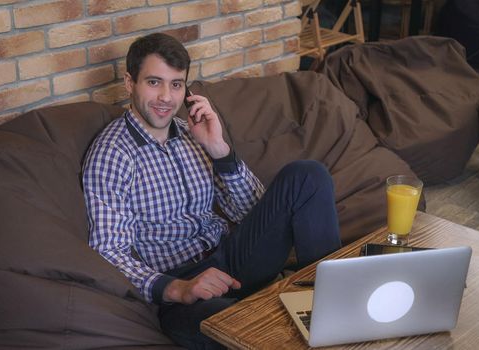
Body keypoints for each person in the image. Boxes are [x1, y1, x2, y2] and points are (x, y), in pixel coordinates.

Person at [82, 32, 341, 349]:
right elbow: (109, 252)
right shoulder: (113, 155)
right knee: (244, 327)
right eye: (154, 82)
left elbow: (252, 211)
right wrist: (179, 288)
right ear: (129, 83)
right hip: (182, 290)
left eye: (176, 84)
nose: (166, 96)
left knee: (308, 175)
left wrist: (219, 150)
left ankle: (335, 302)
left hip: (232, 256)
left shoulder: (193, 133)